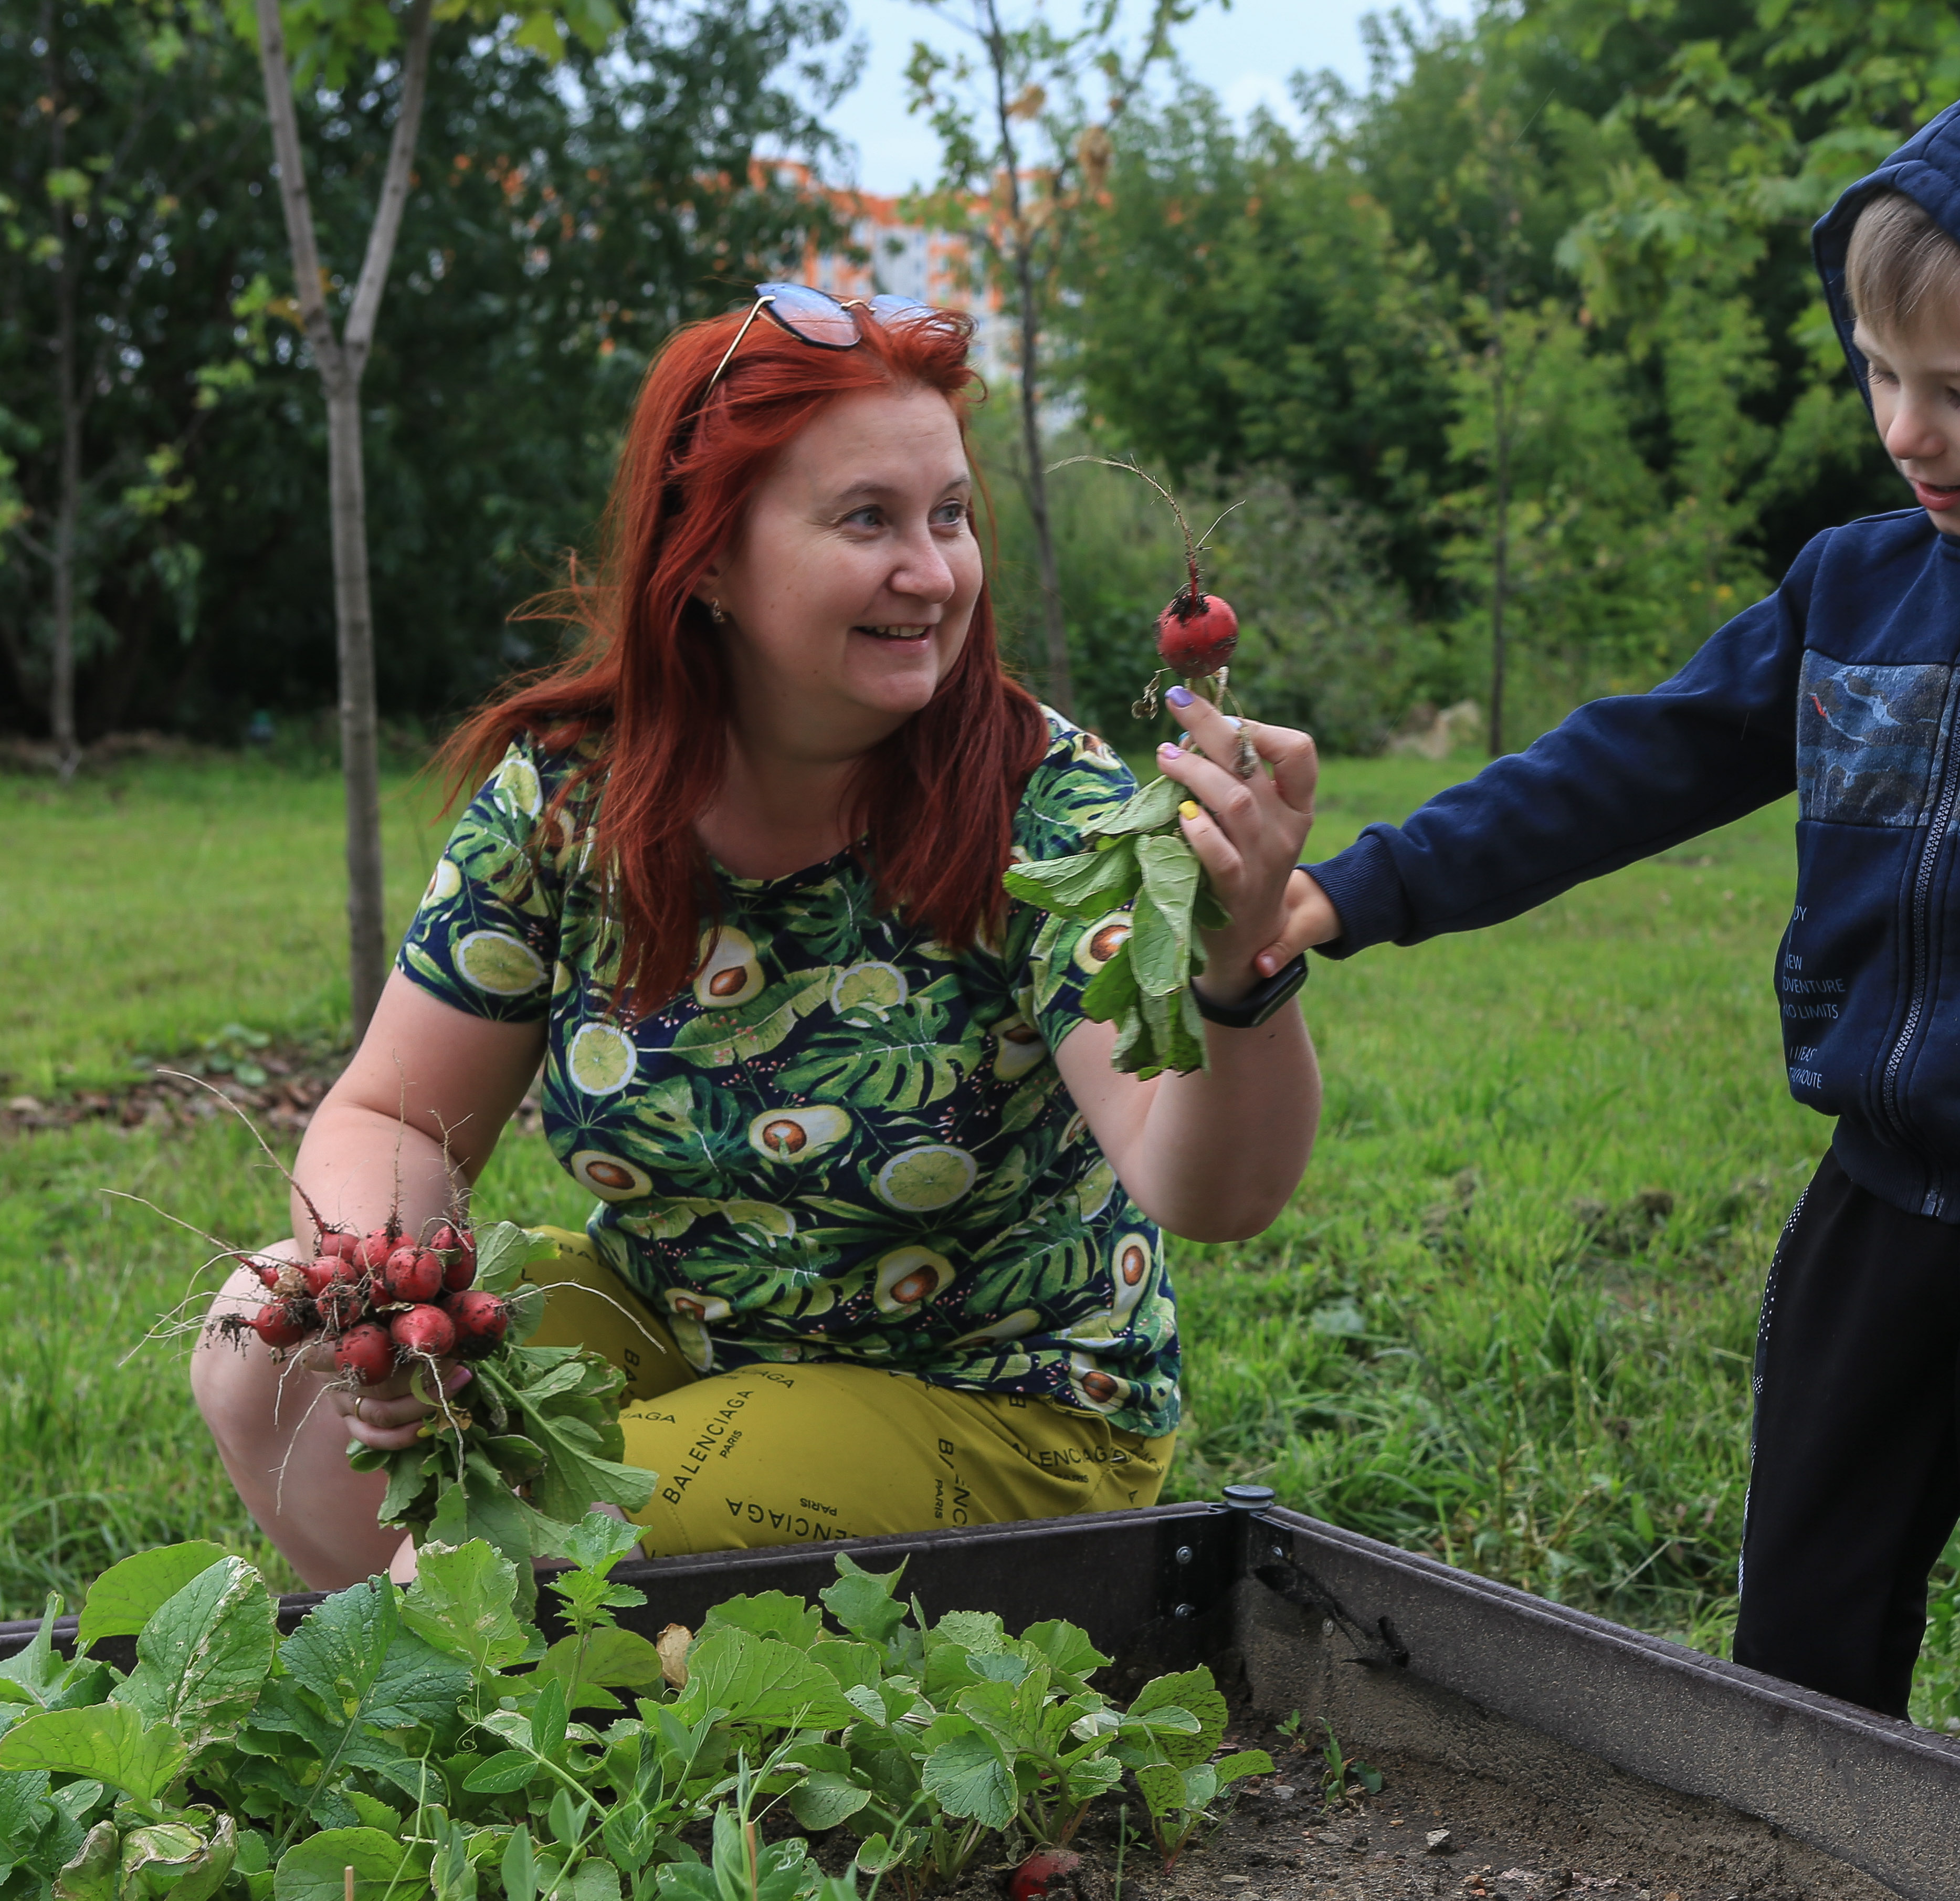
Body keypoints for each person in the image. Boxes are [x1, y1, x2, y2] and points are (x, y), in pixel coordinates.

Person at [1252, 55, 1960, 1799]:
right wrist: (1363, 882)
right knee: (1791, 1667)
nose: (1904, 429)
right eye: (1878, 374)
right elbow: (1626, 764)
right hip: (1872, 1208)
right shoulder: (1851, 591)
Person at [192, 287, 1324, 1589]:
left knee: (534, 1546)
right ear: (711, 554)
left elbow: (1210, 1189)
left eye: (950, 515)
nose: (934, 569)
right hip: (690, 1338)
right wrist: (390, 1301)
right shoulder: (575, 795)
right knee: (265, 1338)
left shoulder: (1042, 807)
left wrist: (1240, 970)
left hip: (994, 1402)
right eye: (868, 519)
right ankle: (490, 1700)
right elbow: (392, 1114)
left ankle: (492, 1679)